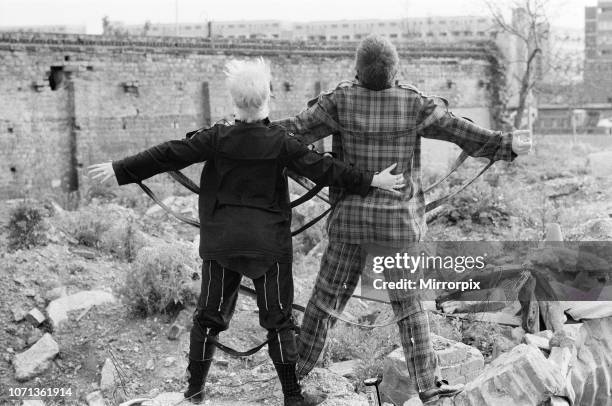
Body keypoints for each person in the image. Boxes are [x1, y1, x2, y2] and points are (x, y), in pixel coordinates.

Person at [88, 58, 404, 406]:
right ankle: (292, 397)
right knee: (279, 321)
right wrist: (373, 179)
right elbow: (325, 169)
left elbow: (169, 153)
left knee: (208, 318)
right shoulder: (281, 142)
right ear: (268, 96)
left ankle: (194, 392)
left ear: (233, 100)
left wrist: (121, 168)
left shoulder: (215, 138)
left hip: (222, 244)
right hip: (268, 246)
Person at [273, 34, 532, 404]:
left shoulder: (340, 100)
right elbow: (461, 130)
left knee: (325, 302)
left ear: (357, 70)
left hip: (351, 223)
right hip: (398, 225)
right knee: (410, 307)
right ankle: (429, 387)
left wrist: (240, 133)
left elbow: (292, 130)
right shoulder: (413, 102)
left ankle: (294, 380)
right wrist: (506, 143)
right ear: (396, 72)